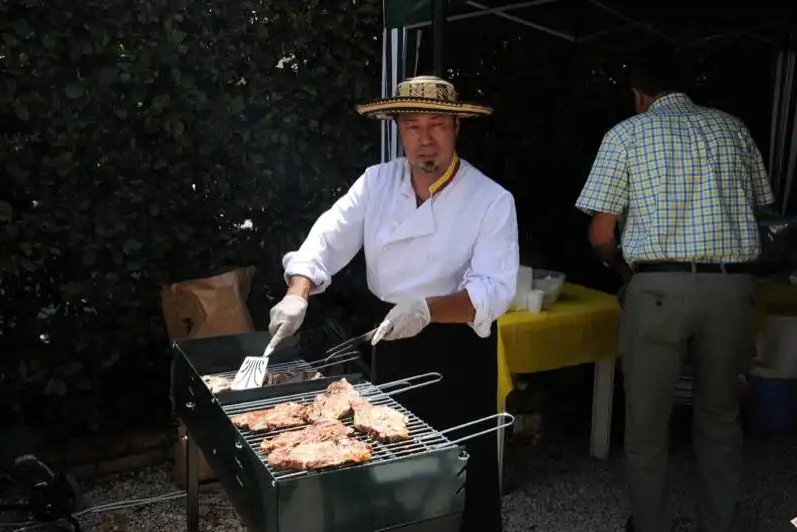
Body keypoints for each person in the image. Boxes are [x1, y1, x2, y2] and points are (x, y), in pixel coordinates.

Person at [267, 75, 519, 532]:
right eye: (412, 126)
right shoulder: (376, 183)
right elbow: (326, 239)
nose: (425, 140)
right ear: (398, 130)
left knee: (462, 469)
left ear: (457, 128)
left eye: (437, 125)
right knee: (391, 461)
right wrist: (296, 294)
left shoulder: (491, 199)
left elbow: (494, 289)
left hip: (457, 347)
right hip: (388, 338)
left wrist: (426, 309)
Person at [575, 55, 775, 532]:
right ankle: (719, 524)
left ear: (640, 96)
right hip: (732, 288)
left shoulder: (626, 134)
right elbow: (764, 211)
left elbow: (601, 234)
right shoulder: (732, 128)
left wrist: (626, 273)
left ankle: (650, 525)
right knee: (721, 418)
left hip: (658, 289)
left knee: (647, 422)